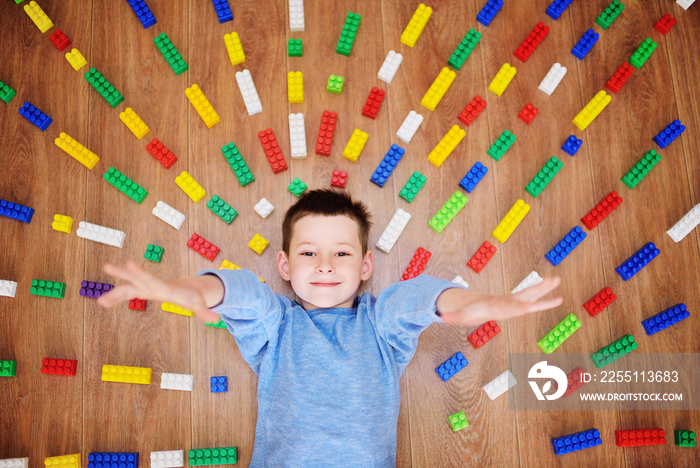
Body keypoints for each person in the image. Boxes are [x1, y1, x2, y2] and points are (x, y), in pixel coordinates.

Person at [98, 189, 562, 467]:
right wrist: (192, 291)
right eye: (307, 253)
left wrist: (474, 302)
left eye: (341, 253)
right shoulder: (276, 323)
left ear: (364, 265)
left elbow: (419, 298)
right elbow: (239, 291)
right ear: (283, 264)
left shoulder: (380, 323)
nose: (324, 265)